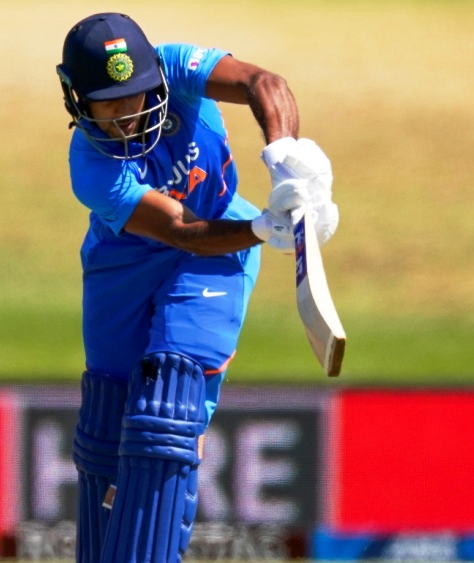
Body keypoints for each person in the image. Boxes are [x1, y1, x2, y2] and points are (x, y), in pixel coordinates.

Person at [57, 12, 339, 562]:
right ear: (77, 99)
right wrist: (264, 229)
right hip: (126, 262)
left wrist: (284, 154)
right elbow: (179, 230)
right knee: (104, 435)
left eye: (135, 94)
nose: (126, 112)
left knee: (166, 409)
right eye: (108, 103)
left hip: (213, 256)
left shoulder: (174, 67)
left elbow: (263, 82)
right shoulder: (91, 167)